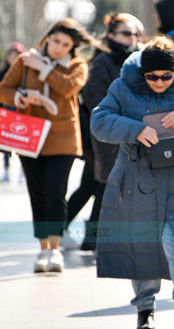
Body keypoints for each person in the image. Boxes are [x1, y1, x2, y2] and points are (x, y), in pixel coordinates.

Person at [90, 36, 174, 329]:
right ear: (143, 73)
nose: (160, 81)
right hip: (138, 179)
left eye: (167, 76)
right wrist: (135, 130)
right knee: (144, 245)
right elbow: (99, 121)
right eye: (152, 76)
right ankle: (145, 310)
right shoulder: (122, 87)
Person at [0, 19, 94, 273]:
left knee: (55, 193)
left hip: (63, 138)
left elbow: (66, 88)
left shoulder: (77, 66)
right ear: (47, 38)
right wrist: (20, 96)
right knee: (37, 193)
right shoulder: (24, 62)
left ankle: (55, 249)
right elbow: (3, 89)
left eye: (65, 44)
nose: (58, 48)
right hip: (29, 137)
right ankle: (43, 249)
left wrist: (43, 68)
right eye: (55, 41)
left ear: (72, 47)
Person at [66, 12, 144, 251]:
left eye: (135, 34)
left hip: (116, 136)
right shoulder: (103, 61)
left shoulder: (133, 61)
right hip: (102, 136)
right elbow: (93, 98)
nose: (131, 39)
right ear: (111, 35)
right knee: (102, 185)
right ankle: (90, 237)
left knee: (93, 184)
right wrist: (117, 119)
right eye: (126, 34)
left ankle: (67, 230)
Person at [0, 42, 25, 182]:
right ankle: (6, 169)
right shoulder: (3, 73)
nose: (14, 58)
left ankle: (23, 172)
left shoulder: (26, 73)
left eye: (17, 55)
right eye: (11, 55)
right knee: (5, 145)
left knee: (23, 145)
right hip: (6, 112)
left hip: (22, 113)